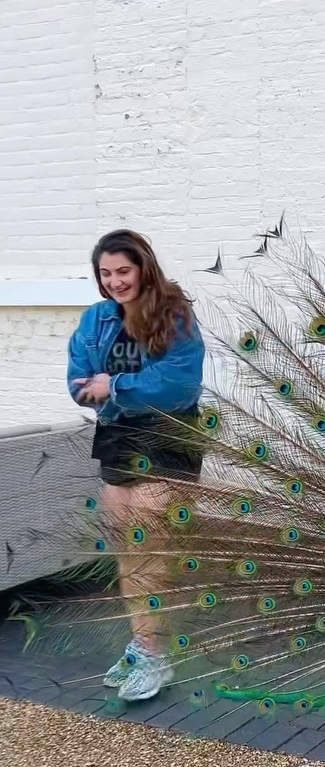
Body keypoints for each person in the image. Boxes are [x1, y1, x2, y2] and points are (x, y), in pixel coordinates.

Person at [67, 229, 205, 701]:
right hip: (118, 435)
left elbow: (179, 385)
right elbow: (79, 381)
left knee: (151, 543)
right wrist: (104, 387)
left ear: (143, 268)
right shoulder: (97, 320)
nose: (114, 282)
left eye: (122, 271)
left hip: (167, 435)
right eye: (105, 274)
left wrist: (117, 387)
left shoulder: (175, 317)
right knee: (125, 542)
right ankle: (141, 644)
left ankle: (155, 652)